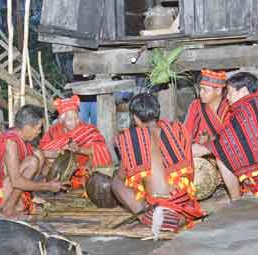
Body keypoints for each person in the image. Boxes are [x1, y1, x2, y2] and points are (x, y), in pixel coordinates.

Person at [192, 72, 258, 201]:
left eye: (231, 93)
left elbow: (222, 145)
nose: (227, 97)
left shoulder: (245, 111)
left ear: (243, 91)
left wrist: (185, 152)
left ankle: (236, 201)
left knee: (222, 157)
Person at [112, 93, 204, 233]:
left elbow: (123, 176)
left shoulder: (131, 138)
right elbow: (190, 170)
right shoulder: (177, 129)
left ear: (135, 118)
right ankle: (175, 214)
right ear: (157, 112)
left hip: (158, 210)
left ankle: (145, 215)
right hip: (184, 204)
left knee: (116, 182)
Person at [0, 104, 68, 217]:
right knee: (32, 161)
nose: (39, 132)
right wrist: (48, 186)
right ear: (27, 127)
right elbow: (16, 181)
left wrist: (55, 153)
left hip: (7, 186)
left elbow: (34, 152)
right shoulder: (10, 142)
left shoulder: (17, 133)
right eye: (38, 128)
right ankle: (8, 209)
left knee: (38, 154)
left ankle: (23, 199)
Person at [40, 95, 113, 189]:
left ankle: (84, 180)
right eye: (70, 120)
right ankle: (54, 184)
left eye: (76, 118)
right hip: (62, 170)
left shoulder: (87, 130)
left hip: (82, 168)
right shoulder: (53, 131)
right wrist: (60, 151)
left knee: (101, 150)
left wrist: (79, 150)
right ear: (62, 120)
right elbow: (43, 150)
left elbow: (100, 149)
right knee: (47, 160)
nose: (74, 122)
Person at [184, 69, 231, 144]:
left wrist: (210, 139)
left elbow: (230, 137)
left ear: (218, 90)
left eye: (205, 90)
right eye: (200, 89)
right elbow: (187, 132)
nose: (200, 93)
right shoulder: (196, 105)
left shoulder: (229, 108)